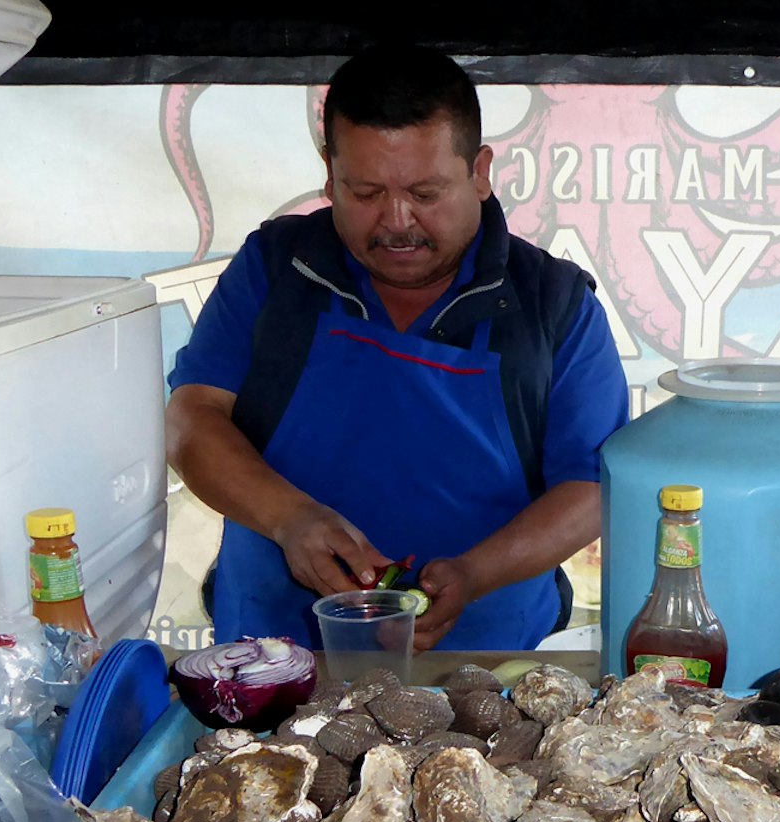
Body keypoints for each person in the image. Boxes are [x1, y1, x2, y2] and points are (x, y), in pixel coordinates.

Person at [167, 44, 629, 652]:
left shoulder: (553, 303)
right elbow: (191, 420)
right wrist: (290, 519)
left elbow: (592, 487)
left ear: (480, 170)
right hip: (278, 654)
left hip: (487, 657)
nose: (397, 221)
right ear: (329, 173)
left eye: (426, 192)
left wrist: (474, 574)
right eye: (364, 193)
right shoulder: (277, 268)